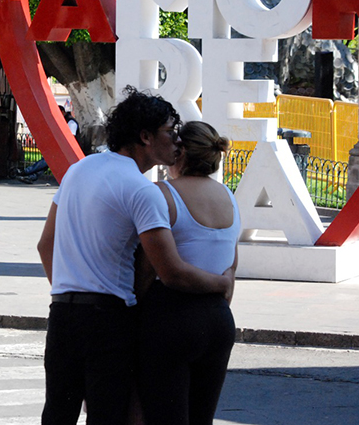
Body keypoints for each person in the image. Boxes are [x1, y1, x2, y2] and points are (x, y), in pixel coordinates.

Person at [36, 86, 233, 425]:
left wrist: (74, 287)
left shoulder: (78, 170)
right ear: (145, 136)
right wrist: (220, 282)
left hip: (63, 313)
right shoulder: (143, 191)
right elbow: (170, 271)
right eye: (170, 133)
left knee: (58, 412)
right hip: (109, 319)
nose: (177, 142)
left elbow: (45, 246)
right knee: (109, 415)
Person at [135, 121, 241, 424]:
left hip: (170, 316)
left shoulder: (162, 195)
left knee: (164, 416)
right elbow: (231, 265)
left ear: (180, 152)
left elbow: (149, 270)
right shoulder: (229, 197)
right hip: (219, 319)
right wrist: (218, 294)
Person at [17, 106, 78, 184]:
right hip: (62, 148)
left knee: (47, 160)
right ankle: (31, 177)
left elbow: (71, 138)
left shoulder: (71, 122)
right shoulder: (63, 121)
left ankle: (26, 172)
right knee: (48, 161)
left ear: (62, 112)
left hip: (69, 150)